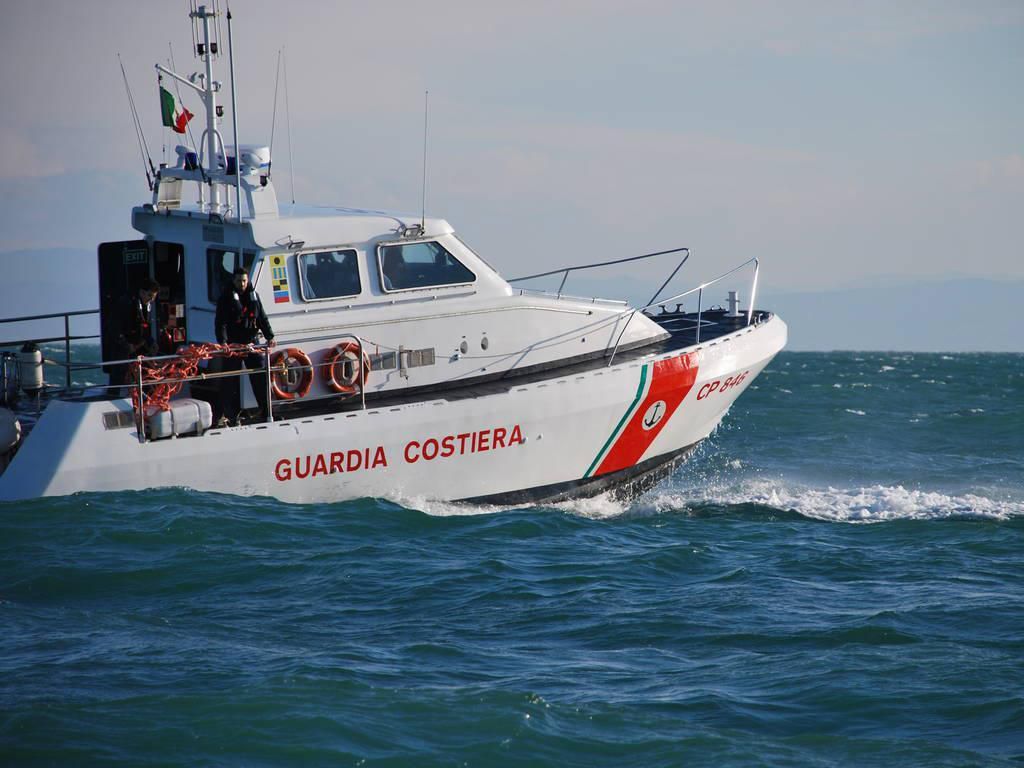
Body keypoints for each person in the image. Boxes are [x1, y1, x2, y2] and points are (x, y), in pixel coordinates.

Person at [215, 267, 275, 425]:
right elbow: (220, 323)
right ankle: (224, 415)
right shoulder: (225, 298)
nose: (241, 284)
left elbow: (261, 317)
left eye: (244, 281)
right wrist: (223, 342)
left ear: (247, 281)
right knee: (229, 381)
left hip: (251, 343)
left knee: (261, 378)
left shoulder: (253, 296)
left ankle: (268, 413)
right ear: (233, 281)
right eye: (238, 281)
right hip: (234, 345)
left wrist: (270, 336)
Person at [109, 278, 160, 392]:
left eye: (153, 297)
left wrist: (151, 343)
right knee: (119, 373)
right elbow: (114, 328)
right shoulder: (125, 303)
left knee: (147, 371)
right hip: (123, 346)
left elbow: (144, 328)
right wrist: (126, 345)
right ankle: (113, 395)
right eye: (150, 295)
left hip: (137, 344)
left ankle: (147, 398)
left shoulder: (146, 305)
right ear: (142, 292)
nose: (151, 299)